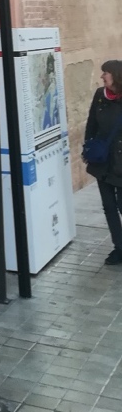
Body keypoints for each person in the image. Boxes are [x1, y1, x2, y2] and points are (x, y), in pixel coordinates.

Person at [83, 60, 122, 264]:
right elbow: (91, 123)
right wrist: (88, 148)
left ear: (116, 75)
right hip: (102, 162)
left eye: (106, 72)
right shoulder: (100, 95)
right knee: (109, 206)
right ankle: (119, 247)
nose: (102, 76)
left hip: (120, 162)